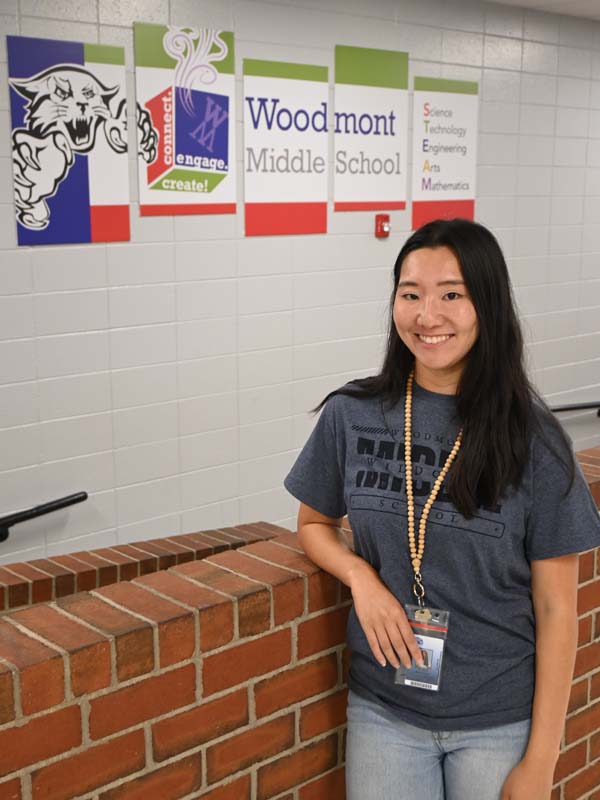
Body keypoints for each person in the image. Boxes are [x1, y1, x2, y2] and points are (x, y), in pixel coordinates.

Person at [283, 218, 600, 800]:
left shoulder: (535, 440)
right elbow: (313, 524)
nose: (427, 316)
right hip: (383, 712)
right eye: (411, 295)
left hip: (498, 722)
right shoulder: (352, 414)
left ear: (488, 305)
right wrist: (361, 579)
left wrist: (542, 760)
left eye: (452, 295)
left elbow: (558, 609)